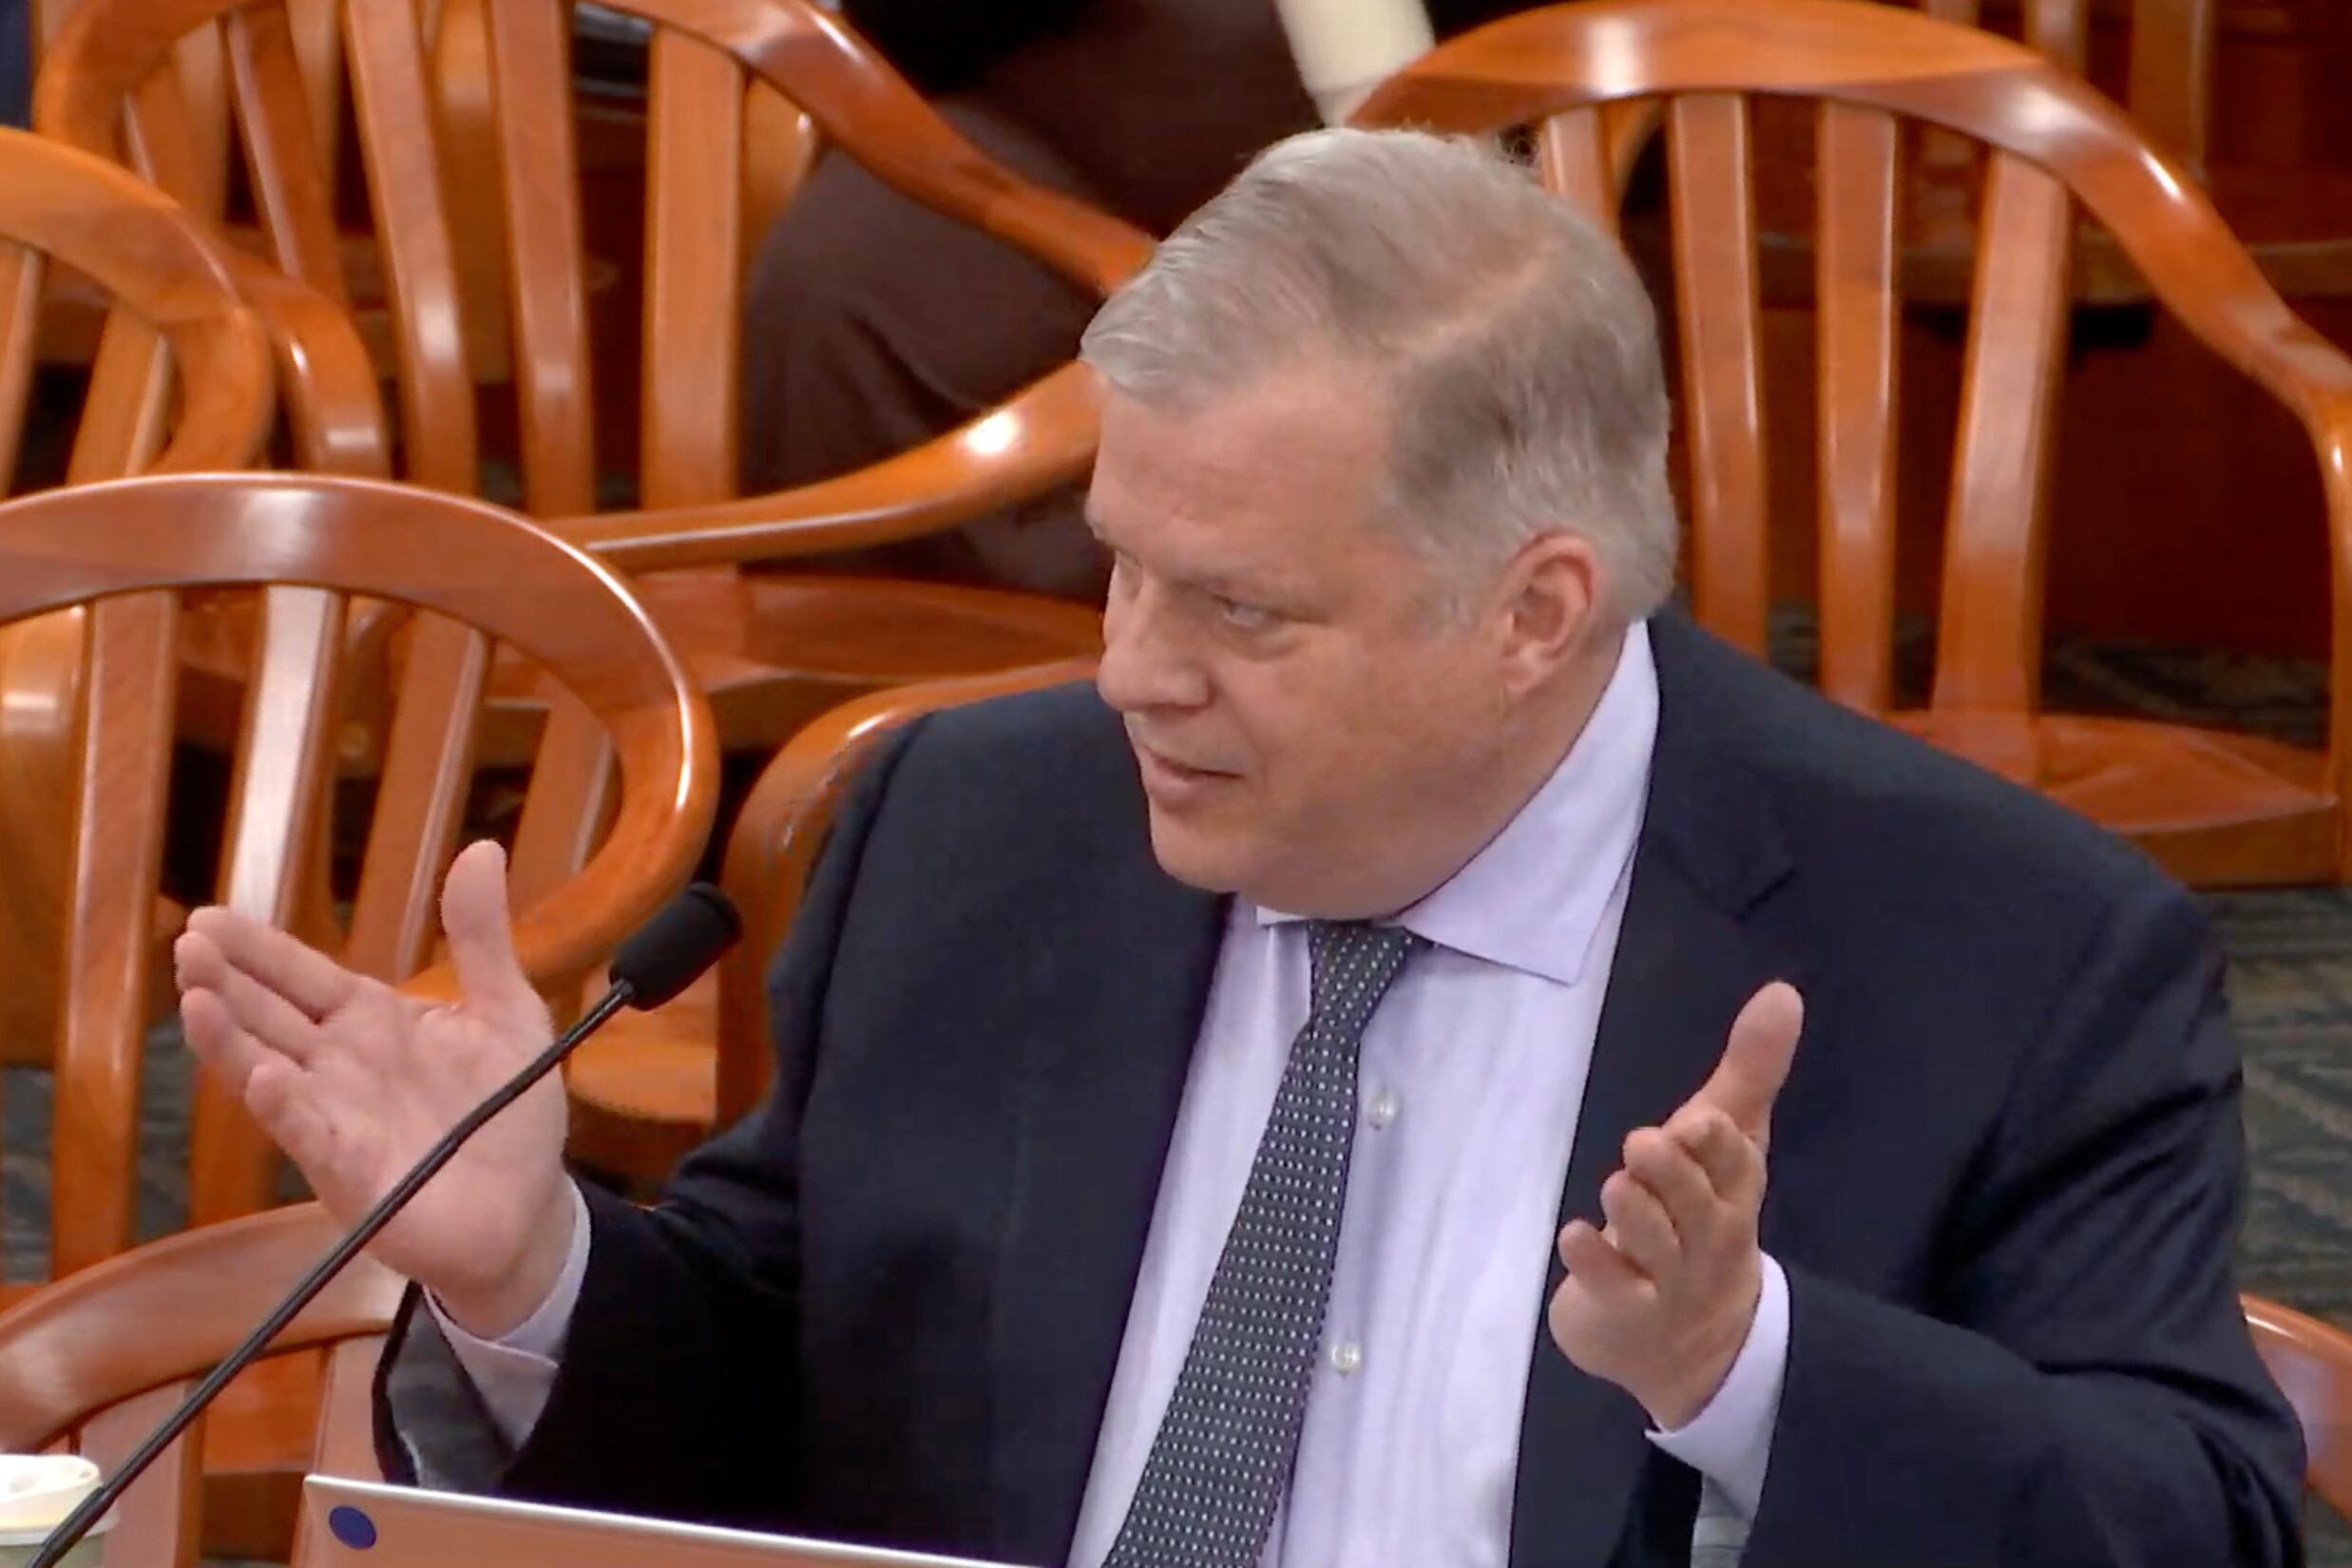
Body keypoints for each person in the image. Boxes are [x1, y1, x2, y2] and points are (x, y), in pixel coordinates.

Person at [176, 129, 2304, 1568]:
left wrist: (1738, 1365)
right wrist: (529, 1267)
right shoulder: (978, 833)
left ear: (1533, 612)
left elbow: (2193, 1517)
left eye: (1235, 610)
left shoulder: (1998, 948)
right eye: (1119, 572)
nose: (1128, 677)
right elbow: (791, 1404)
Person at [745, 0, 1528, 600]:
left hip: (1457, 128)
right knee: (860, 266)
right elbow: (909, 30)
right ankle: (888, 774)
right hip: (1049, 105)